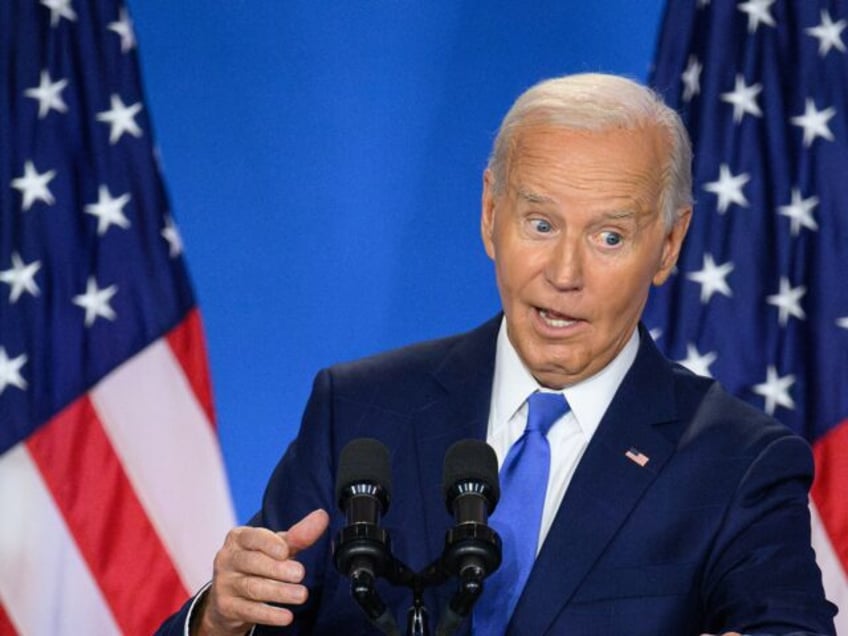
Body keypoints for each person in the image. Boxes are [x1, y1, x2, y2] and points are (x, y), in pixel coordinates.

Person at [157, 73, 837, 635]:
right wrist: (219, 619)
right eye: (540, 224)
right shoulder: (358, 411)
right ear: (490, 214)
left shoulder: (737, 463)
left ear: (668, 245)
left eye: (608, 237)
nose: (564, 273)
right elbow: (259, 603)